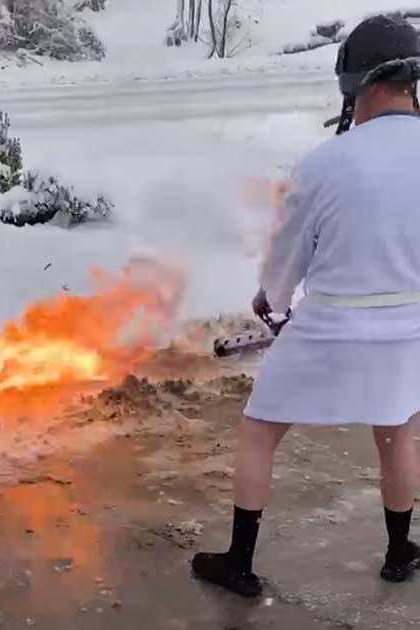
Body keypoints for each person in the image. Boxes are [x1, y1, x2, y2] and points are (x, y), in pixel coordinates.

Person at [191, 15, 420, 597]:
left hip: (330, 325)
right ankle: (399, 552)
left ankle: (239, 563)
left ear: (356, 82)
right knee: (398, 433)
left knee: (259, 432)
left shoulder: (324, 163)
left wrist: (271, 296)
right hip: (409, 330)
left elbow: (287, 255)